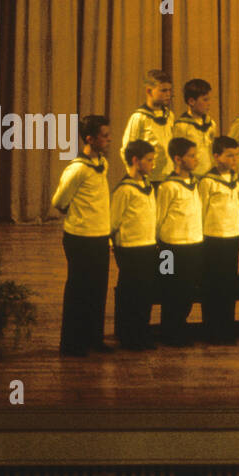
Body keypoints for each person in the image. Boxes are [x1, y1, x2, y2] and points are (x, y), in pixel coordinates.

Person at [52, 115, 113, 356]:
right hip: (80, 238)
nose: (109, 140)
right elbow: (59, 201)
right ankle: (71, 343)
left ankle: (93, 338)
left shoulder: (102, 163)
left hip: (99, 236)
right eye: (105, 136)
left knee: (98, 290)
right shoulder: (77, 169)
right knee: (79, 290)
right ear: (90, 139)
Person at [109, 139, 159, 350]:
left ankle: (141, 331)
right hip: (130, 247)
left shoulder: (147, 185)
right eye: (149, 160)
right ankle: (128, 334)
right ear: (136, 161)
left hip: (147, 246)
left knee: (145, 291)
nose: (153, 164)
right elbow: (113, 222)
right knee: (131, 291)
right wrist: (113, 244)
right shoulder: (124, 190)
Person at [155, 137, 204, 347]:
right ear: (177, 159)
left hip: (193, 245)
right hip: (171, 248)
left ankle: (180, 327)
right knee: (170, 288)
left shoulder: (195, 183)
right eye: (191, 156)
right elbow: (159, 217)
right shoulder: (168, 187)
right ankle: (169, 330)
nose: (196, 160)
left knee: (187, 290)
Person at [197, 136, 239, 345]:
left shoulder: (236, 178)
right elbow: (201, 211)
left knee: (228, 285)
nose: (234, 159)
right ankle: (211, 329)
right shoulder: (207, 181)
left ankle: (227, 328)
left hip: (232, 237)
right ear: (216, 157)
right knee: (213, 286)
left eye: (236, 155)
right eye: (229, 155)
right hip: (213, 238)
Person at [119, 69, 175, 183]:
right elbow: (127, 149)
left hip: (168, 177)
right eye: (163, 90)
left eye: (169, 90)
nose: (168, 94)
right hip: (149, 179)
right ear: (149, 91)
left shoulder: (170, 116)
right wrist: (135, 175)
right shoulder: (139, 117)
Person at [172, 78, 217, 177]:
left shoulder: (211, 124)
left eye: (209, 99)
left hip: (208, 174)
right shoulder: (182, 126)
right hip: (191, 175)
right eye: (205, 100)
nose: (209, 103)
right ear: (191, 101)